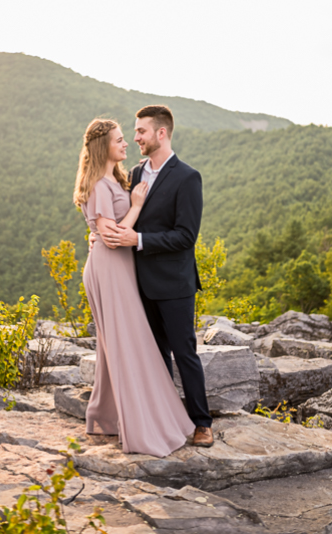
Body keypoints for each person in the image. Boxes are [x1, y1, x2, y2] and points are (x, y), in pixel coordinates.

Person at [75, 118, 196, 457]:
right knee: (124, 343)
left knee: (123, 342)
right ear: (104, 147)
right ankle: (135, 424)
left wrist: (103, 230)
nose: (126, 143)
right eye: (119, 140)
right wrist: (137, 207)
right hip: (110, 266)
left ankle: (109, 416)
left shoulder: (117, 177)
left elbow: (105, 231)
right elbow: (112, 236)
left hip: (119, 267)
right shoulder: (99, 184)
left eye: (128, 137)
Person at [98, 105, 214, 448]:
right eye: (134, 132)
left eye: (141, 132)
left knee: (184, 353)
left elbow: (186, 236)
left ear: (161, 133)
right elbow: (121, 214)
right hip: (137, 282)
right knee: (153, 355)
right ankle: (163, 422)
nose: (135, 138)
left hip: (175, 285)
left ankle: (202, 423)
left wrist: (139, 240)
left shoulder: (187, 177)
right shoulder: (133, 173)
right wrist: (102, 232)